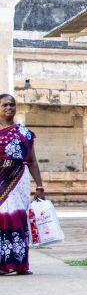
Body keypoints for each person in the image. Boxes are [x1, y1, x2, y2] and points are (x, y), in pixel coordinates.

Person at [1, 93, 45, 275]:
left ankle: (19, 264)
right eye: (4, 105)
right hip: (1, 180)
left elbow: (32, 161)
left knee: (18, 218)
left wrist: (40, 186)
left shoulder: (24, 133)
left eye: (11, 104)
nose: (9, 108)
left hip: (19, 179)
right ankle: (3, 264)